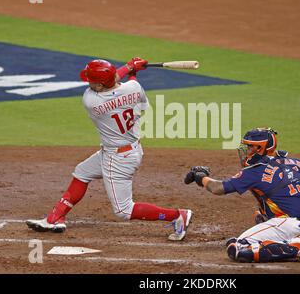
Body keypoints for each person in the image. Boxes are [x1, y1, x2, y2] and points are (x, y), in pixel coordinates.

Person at [26, 58, 192, 241]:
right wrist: (133, 72)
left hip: (118, 158)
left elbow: (116, 80)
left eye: (92, 81)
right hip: (129, 149)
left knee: (123, 210)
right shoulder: (134, 88)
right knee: (82, 172)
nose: (89, 83)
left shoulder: (91, 101)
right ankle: (55, 217)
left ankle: (177, 215)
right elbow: (133, 94)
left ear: (99, 85)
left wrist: (131, 67)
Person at [184, 128, 300, 263]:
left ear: (261, 148)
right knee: (261, 216)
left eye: (250, 146)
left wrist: (201, 176)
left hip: (290, 224)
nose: (246, 150)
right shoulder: (295, 162)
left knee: (238, 248)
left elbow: (218, 188)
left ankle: (297, 248)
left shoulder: (255, 171)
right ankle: (298, 238)